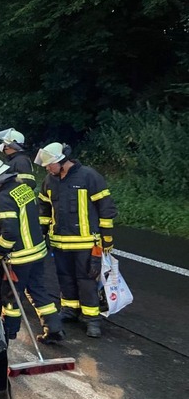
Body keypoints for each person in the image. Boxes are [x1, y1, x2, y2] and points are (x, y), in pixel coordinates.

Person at [0, 158, 64, 343]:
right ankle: (54, 329)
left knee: (11, 298)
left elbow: (10, 232)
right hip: (37, 252)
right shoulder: (22, 188)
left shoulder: (4, 198)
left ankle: (8, 333)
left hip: (19, 257)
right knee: (38, 290)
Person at [35, 142, 118, 338]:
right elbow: (44, 211)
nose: (47, 169)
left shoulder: (89, 177)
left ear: (61, 161)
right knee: (65, 278)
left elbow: (106, 209)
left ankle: (92, 320)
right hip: (60, 243)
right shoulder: (49, 181)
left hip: (86, 243)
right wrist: (41, 234)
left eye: (49, 165)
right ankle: (70, 310)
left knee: (87, 280)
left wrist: (106, 239)